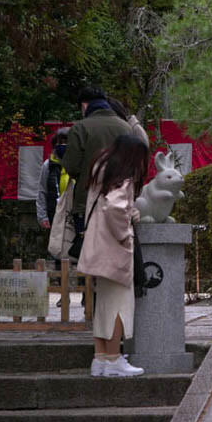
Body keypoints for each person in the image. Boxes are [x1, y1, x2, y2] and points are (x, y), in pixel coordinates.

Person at [77, 134, 148, 377]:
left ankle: (101, 359)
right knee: (120, 305)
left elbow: (103, 204)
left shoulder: (101, 169)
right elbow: (115, 207)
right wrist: (126, 231)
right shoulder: (124, 177)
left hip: (97, 246)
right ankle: (114, 358)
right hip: (115, 248)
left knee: (103, 306)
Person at [63, 87, 134, 217]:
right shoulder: (126, 127)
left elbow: (72, 166)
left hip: (88, 201)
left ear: (84, 105)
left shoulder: (80, 128)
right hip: (120, 200)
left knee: (87, 237)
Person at [36, 127, 70, 232]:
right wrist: (42, 216)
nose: (63, 145)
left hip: (75, 215)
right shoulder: (48, 165)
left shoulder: (80, 164)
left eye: (66, 142)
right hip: (54, 214)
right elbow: (42, 191)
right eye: (60, 142)